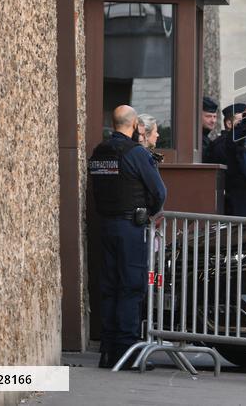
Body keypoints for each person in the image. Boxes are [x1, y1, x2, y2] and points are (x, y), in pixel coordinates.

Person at [88, 105, 167, 369]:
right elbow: (159, 192)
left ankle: (108, 351)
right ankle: (127, 351)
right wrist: (149, 213)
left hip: (105, 225)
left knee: (110, 287)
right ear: (134, 125)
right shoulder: (135, 153)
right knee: (131, 286)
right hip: (130, 227)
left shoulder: (99, 151)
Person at [201, 96, 218, 161]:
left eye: (214, 117)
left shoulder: (206, 139)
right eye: (208, 116)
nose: (213, 121)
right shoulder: (194, 140)